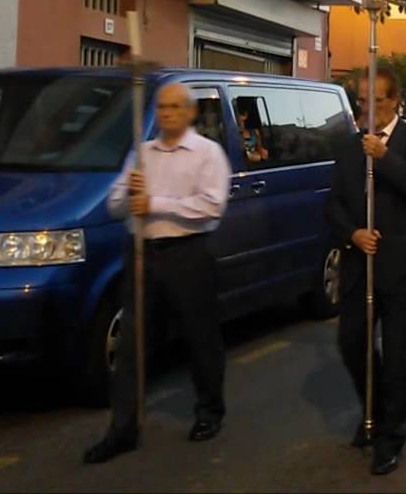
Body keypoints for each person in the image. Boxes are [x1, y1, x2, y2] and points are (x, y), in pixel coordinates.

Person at [84, 83, 232, 464]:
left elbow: (211, 206)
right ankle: (123, 429)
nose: (165, 113)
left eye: (173, 107)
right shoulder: (142, 154)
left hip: (186, 254)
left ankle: (209, 411)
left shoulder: (207, 153)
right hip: (141, 254)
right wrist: (129, 195)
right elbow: (116, 205)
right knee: (132, 344)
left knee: (200, 338)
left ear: (189, 112)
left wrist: (156, 202)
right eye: (161, 107)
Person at [326, 68, 406, 476]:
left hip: (403, 267)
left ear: (393, 101)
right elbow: (334, 203)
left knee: (396, 356)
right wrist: (352, 233)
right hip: (361, 263)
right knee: (351, 343)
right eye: (359, 101)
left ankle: (391, 435)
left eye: (374, 101)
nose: (365, 108)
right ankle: (371, 410)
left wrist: (385, 158)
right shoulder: (346, 145)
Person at [235, 100, 268, 164]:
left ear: (245, 115)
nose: (237, 117)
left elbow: (261, 151)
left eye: (239, 114)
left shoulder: (254, 132)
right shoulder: (232, 133)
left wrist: (260, 154)